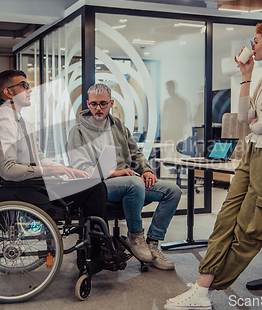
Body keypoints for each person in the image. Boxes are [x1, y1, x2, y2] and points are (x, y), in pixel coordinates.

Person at [164, 19, 262, 309]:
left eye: (256, 41)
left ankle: (205, 286)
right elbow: (243, 117)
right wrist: (246, 75)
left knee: (251, 227)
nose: (252, 46)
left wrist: (257, 123)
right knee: (226, 218)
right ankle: (203, 285)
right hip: (255, 151)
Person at [0, 70, 111, 272]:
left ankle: (96, 247)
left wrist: (65, 169)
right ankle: (97, 253)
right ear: (8, 92)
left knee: (91, 183)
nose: (30, 89)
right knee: (96, 188)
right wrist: (50, 169)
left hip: (34, 184)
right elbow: (8, 170)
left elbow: (40, 158)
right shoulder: (5, 120)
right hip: (24, 189)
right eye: (24, 85)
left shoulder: (21, 121)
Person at [67, 83, 182, 270]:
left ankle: (152, 244)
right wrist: (114, 173)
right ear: (87, 103)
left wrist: (146, 170)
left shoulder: (119, 126)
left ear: (111, 103)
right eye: (94, 104)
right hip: (99, 186)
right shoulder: (78, 131)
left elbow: (135, 153)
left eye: (103, 104)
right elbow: (80, 167)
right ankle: (135, 235)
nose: (98, 108)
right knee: (134, 182)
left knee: (172, 191)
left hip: (129, 182)